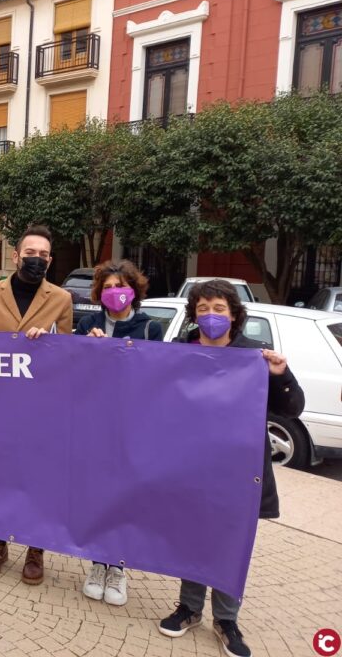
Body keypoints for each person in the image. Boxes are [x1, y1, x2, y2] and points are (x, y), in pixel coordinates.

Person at [158, 279, 303, 657]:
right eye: (203, 308)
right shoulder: (178, 353)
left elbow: (292, 408)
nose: (210, 316)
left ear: (234, 315)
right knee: (192, 539)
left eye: (219, 309)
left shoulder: (254, 358)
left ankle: (226, 620)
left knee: (229, 543)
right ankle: (189, 609)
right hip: (189, 467)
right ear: (194, 314)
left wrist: (281, 375)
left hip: (237, 474)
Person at [0, 224, 73, 584]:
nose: (37, 260)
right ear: (16, 256)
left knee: (38, 478)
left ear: (50, 260)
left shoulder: (61, 298)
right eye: (31, 253)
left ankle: (35, 548)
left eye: (44, 255)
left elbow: (67, 353)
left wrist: (51, 342)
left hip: (41, 406)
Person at [75, 259, 163, 606]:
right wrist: (88, 348)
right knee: (97, 494)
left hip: (132, 426)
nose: (115, 292)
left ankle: (119, 568)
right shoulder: (88, 323)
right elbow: (73, 371)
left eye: (121, 286)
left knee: (124, 497)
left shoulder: (148, 328)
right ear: (100, 293)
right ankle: (98, 564)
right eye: (108, 287)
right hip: (95, 425)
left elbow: (155, 375)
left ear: (134, 290)